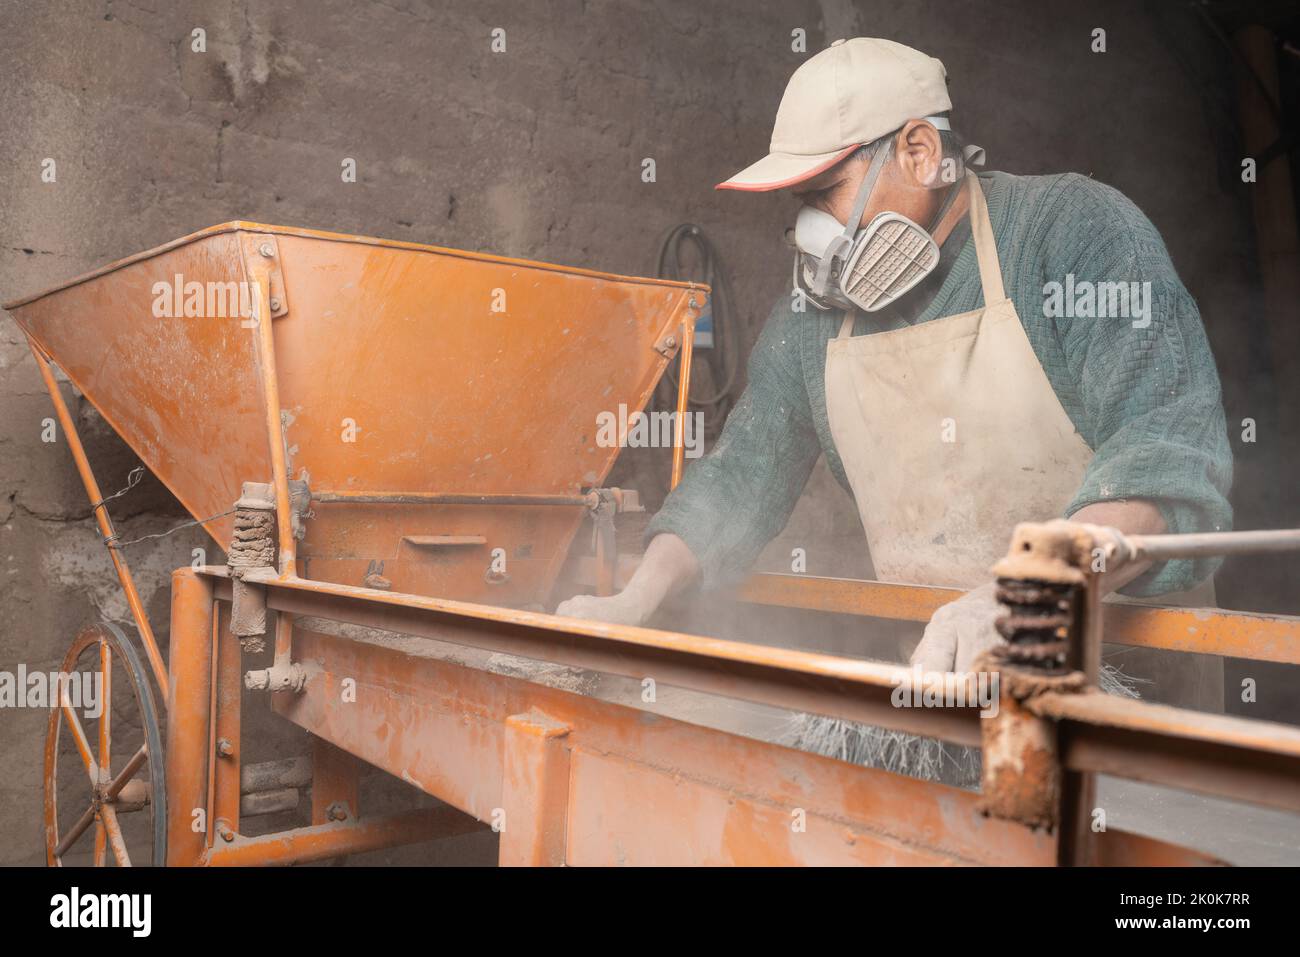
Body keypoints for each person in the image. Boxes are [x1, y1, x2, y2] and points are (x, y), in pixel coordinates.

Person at [558, 38, 1232, 706]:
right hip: (945, 677)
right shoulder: (811, 318)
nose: (812, 230)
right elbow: (737, 478)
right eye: (798, 206)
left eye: (825, 193)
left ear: (920, 151)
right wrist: (634, 599)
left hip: (1134, 683)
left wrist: (1025, 593)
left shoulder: (1075, 235)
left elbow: (1165, 456)